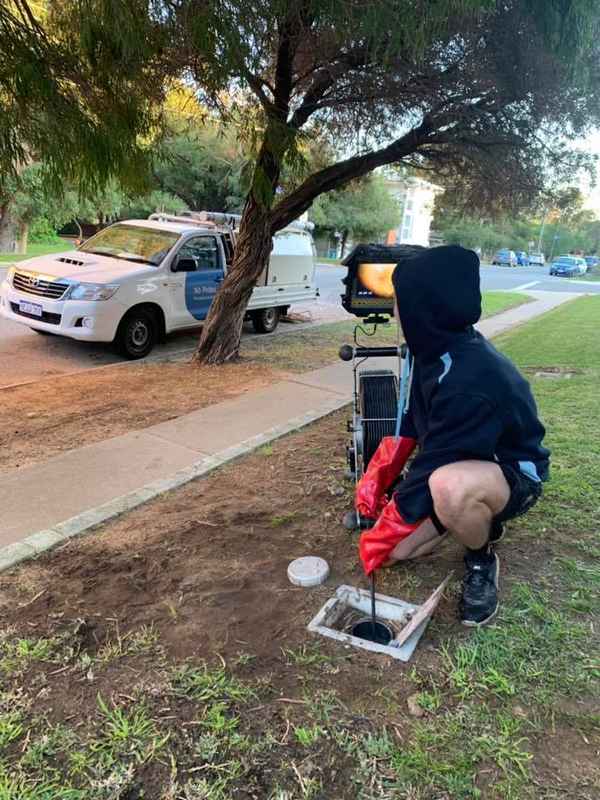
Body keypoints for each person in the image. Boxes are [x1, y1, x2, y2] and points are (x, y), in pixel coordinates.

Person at [356, 245, 550, 627]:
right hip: (462, 462)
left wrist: (386, 526)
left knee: (446, 486)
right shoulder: (433, 350)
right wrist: (378, 476)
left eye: (400, 302)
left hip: (510, 474)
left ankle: (481, 555)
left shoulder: (469, 377)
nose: (395, 311)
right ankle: (464, 515)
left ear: (424, 308)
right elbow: (413, 420)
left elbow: (437, 462)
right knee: (400, 552)